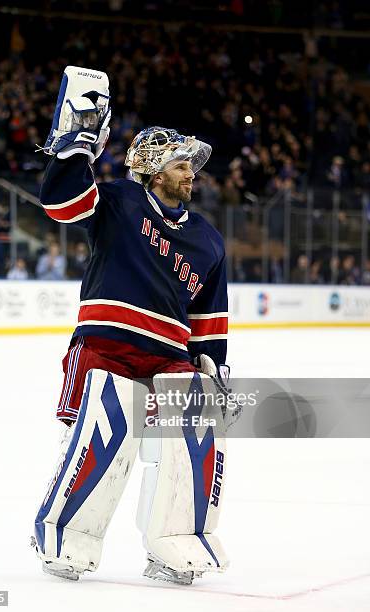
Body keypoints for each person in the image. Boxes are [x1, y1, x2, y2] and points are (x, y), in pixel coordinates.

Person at [31, 66, 230, 585]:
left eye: (192, 166)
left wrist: (215, 366)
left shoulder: (209, 241)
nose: (192, 174)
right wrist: (73, 150)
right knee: (106, 432)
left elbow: (208, 317)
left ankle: (177, 540)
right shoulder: (119, 200)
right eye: (182, 165)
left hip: (169, 356)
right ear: (153, 169)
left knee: (194, 429)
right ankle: (66, 534)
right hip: (106, 345)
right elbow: (61, 205)